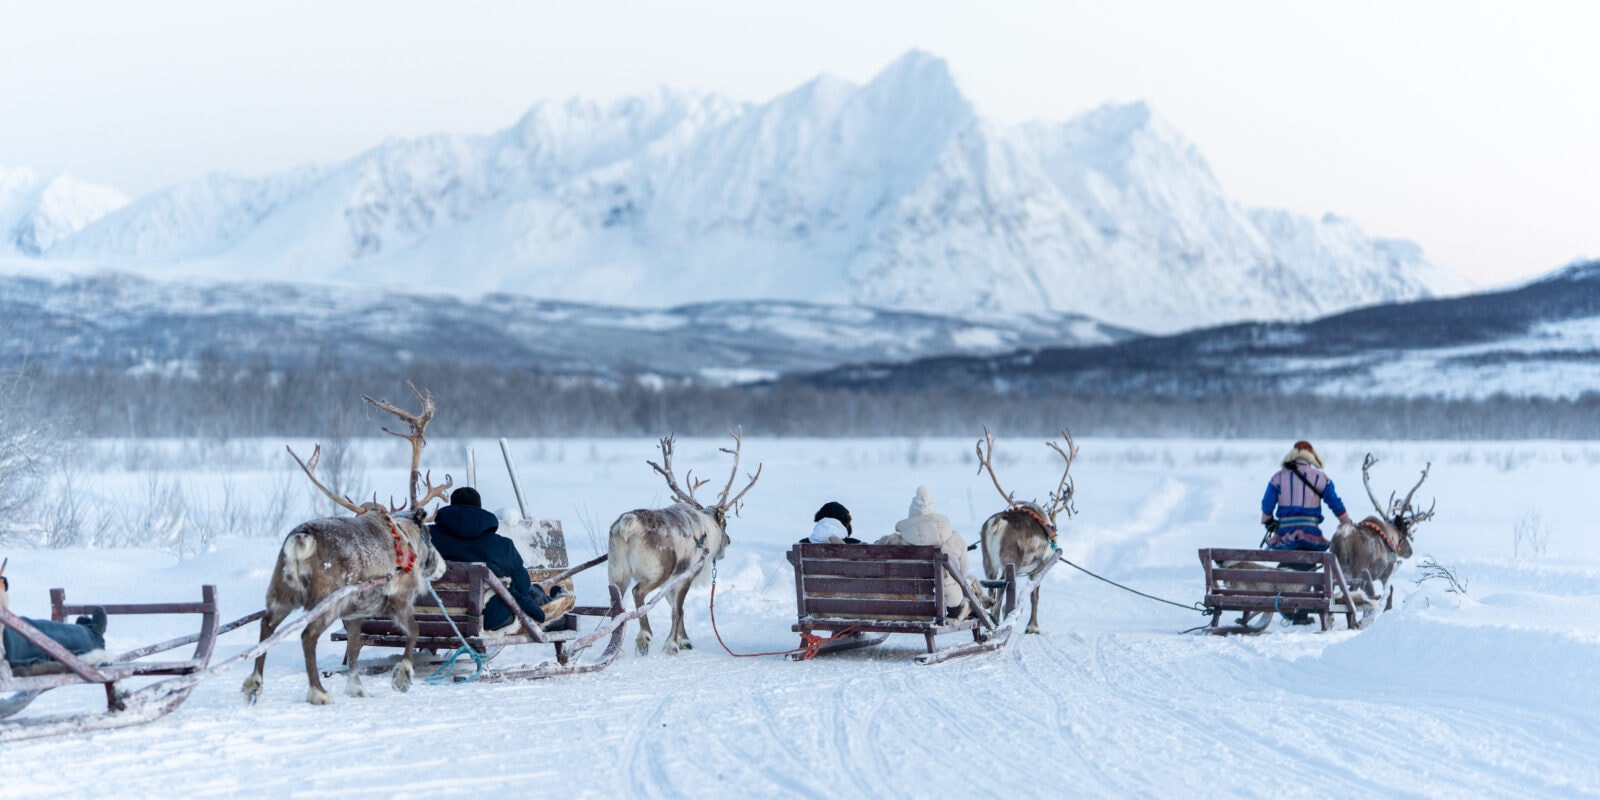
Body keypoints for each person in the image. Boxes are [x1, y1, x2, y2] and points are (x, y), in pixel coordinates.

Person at [428, 487, 573, 633]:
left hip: (432, 615)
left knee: (529, 593)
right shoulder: (502, 545)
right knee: (526, 594)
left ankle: (543, 594)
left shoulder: (425, 540)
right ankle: (554, 602)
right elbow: (522, 585)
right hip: (489, 618)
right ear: (479, 510)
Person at [1260, 441, 1353, 624]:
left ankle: (1289, 607)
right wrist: (1347, 523)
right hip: (1311, 534)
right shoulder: (1320, 478)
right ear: (1311, 457)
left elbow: (1267, 505)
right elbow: (1335, 503)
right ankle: (1300, 612)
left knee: (1288, 567)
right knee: (1309, 569)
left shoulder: (1278, 478)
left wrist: (1268, 521)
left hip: (1286, 533)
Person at [875, 486, 976, 620]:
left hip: (903, 602)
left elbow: (873, 554)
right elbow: (963, 569)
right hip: (948, 604)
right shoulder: (953, 539)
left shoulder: (895, 541)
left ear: (911, 515)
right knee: (960, 592)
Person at [0, 564, 111, 672]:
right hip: (10, 645)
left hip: (9, 644)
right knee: (46, 634)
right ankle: (91, 637)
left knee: (45, 634)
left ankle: (86, 635)